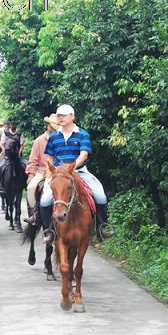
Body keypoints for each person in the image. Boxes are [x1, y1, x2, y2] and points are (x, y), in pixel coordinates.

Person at [39, 104, 114, 243]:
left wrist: (72, 166)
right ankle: (48, 231)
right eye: (59, 115)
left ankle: (102, 228)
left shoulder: (82, 134)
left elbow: (84, 154)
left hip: (79, 171)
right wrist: (51, 171)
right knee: (44, 201)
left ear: (72, 116)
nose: (60, 118)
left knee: (100, 196)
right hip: (58, 174)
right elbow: (49, 156)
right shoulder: (54, 136)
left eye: (64, 115)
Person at [23, 114, 60, 224]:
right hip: (42, 171)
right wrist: (30, 173)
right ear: (48, 126)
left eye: (55, 128)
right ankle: (34, 213)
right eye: (51, 127)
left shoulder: (61, 140)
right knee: (31, 187)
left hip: (58, 171)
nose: (52, 129)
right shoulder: (39, 141)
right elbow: (33, 159)